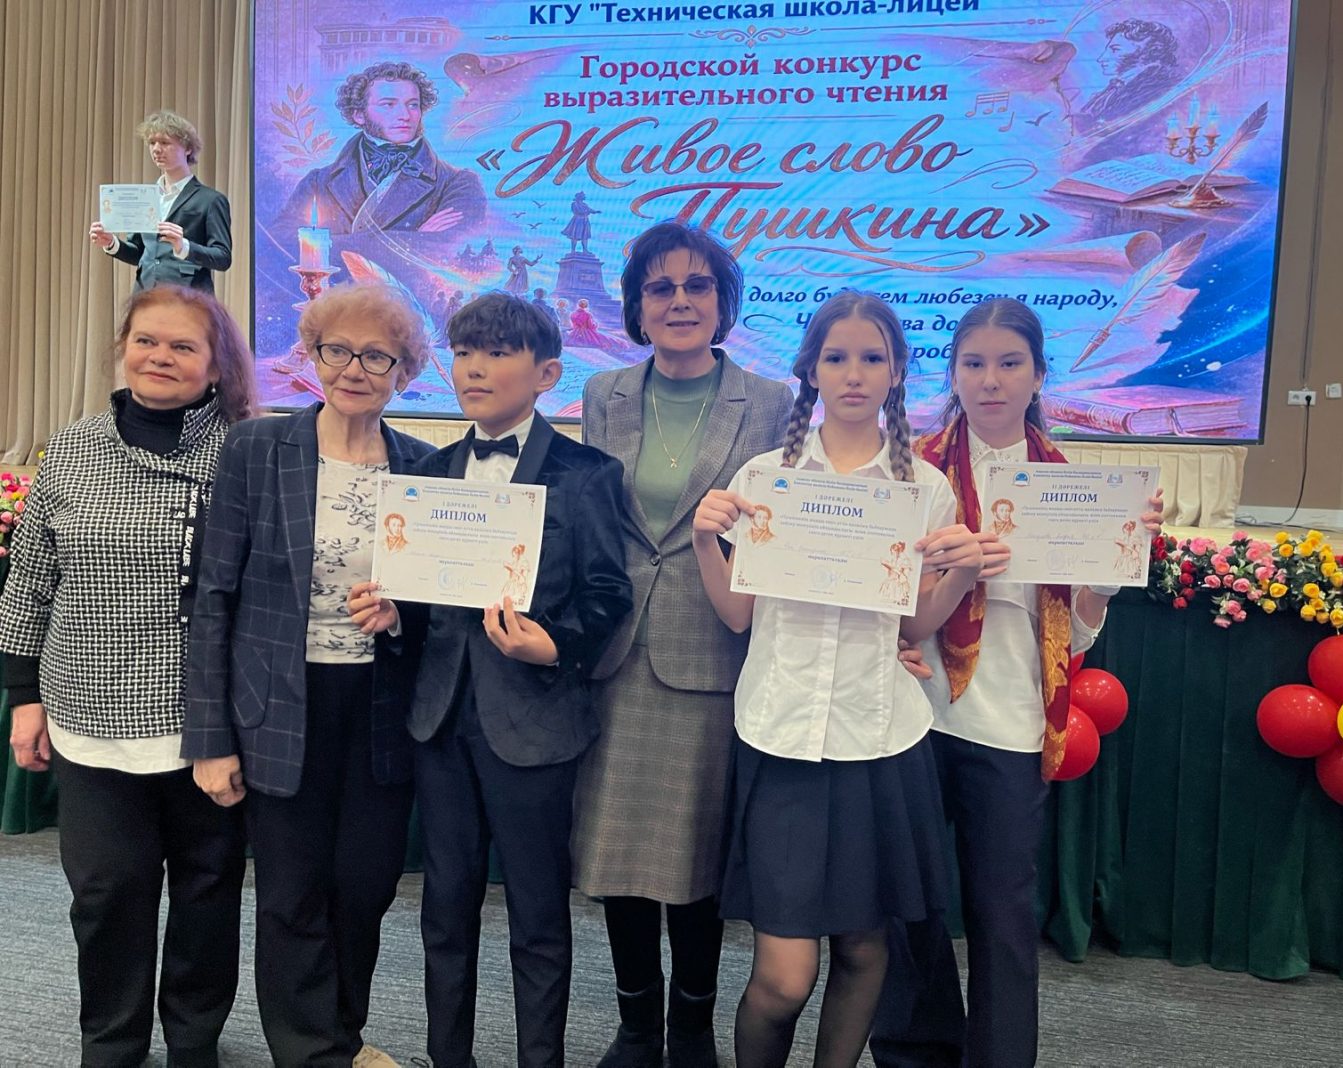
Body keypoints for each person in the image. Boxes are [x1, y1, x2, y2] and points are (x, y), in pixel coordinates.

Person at [693, 290, 992, 1068]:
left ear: (896, 371)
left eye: (871, 358)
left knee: (864, 950)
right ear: (811, 371)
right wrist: (702, 543)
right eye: (836, 358)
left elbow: (913, 628)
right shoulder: (767, 477)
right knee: (783, 978)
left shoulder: (925, 488)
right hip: (782, 735)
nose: (853, 374)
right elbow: (737, 616)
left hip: (878, 738)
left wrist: (962, 575)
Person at [870, 297, 1163, 1068]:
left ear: (1038, 375)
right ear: (952, 373)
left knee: (1002, 918)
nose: (990, 381)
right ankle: (915, 1054)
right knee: (908, 904)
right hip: (911, 713)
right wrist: (893, 635)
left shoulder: (1073, 487)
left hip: (1010, 722)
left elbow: (1078, 635)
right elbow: (875, 592)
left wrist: (1111, 568)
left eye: (1009, 364)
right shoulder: (909, 469)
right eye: (973, 364)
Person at [1, 285, 257, 1068]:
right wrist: (23, 698)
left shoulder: (248, 451)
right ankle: (110, 1042)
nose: (160, 357)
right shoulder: (73, 447)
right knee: (107, 894)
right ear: (123, 347)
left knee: (207, 894)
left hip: (209, 724)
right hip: (90, 716)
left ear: (216, 365)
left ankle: (193, 1042)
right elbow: (30, 578)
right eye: (147, 340)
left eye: (183, 346)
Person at [182, 282, 435, 1068]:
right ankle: (312, 1052)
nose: (354, 369)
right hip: (278, 704)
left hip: (379, 707)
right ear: (312, 355)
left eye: (377, 356)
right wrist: (209, 739)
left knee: (365, 887)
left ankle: (341, 1036)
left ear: (405, 372)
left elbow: (440, 608)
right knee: (291, 891)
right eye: (337, 350)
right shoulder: (257, 449)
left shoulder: (425, 468)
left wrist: (401, 615)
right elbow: (212, 595)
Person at [385, 291, 633, 1068]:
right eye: (464, 352)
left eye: (496, 353)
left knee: (537, 916)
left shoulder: (587, 474)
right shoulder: (428, 472)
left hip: (536, 720)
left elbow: (608, 595)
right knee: (444, 910)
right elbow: (417, 600)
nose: (474, 368)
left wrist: (553, 646)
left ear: (547, 374)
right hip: (440, 719)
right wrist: (391, 610)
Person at [571, 221, 792, 1068]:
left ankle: (691, 1029)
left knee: (695, 862)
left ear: (723, 302)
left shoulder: (770, 403)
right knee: (619, 857)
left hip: (712, 651)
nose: (679, 301)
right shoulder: (603, 394)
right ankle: (637, 1027)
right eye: (660, 288)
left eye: (698, 285)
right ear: (636, 306)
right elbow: (593, 521)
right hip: (615, 656)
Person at [278, 60, 485, 236]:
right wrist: (415, 239)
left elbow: (447, 250)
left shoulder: (457, 183)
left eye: (413, 105)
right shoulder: (317, 183)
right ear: (359, 115)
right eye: (388, 104)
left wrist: (332, 244)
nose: (405, 115)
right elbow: (284, 245)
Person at [89, 110, 232, 294]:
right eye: (152, 143)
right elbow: (140, 253)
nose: (156, 149)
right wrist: (111, 243)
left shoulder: (211, 200)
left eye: (165, 142)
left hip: (188, 297)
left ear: (188, 148)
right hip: (145, 295)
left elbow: (222, 257)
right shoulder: (145, 197)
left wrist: (183, 246)